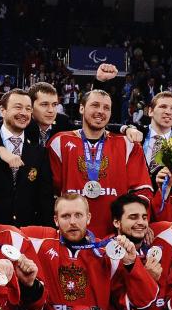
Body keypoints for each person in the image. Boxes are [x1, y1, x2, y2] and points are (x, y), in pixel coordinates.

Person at [25, 193, 157, 310]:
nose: (73, 222)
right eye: (66, 216)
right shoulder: (38, 241)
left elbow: (145, 304)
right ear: (56, 220)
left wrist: (132, 264)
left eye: (78, 215)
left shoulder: (108, 253)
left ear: (88, 218)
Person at [48, 89, 150, 238]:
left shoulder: (128, 144)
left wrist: (138, 225)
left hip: (115, 237)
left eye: (106, 108)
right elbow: (51, 192)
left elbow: (142, 191)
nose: (100, 111)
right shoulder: (59, 142)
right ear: (82, 108)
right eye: (95, 105)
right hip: (71, 235)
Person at [0, 88, 54, 227]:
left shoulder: (39, 152)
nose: (23, 113)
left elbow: (44, 198)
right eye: (18, 107)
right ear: (3, 110)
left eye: (28, 109)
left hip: (25, 233)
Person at [141, 90, 172, 171]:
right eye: (163, 106)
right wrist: (125, 128)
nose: (168, 112)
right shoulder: (135, 134)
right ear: (150, 111)